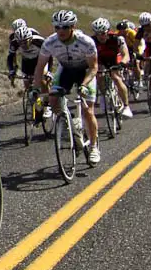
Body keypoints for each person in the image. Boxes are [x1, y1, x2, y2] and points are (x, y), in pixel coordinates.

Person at [33, 10, 101, 164]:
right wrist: (36, 88)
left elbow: (93, 67)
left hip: (85, 72)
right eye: (57, 27)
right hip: (65, 71)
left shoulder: (86, 42)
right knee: (52, 98)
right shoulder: (50, 42)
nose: (60, 31)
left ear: (73, 26)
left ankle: (93, 146)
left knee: (87, 110)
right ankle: (65, 124)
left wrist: (84, 85)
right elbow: (39, 67)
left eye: (64, 27)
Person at [90, 18, 133, 118]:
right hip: (100, 60)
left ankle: (126, 106)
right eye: (98, 33)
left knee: (116, 78)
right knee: (100, 77)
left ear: (108, 31)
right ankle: (104, 95)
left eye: (103, 33)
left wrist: (122, 63)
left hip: (114, 60)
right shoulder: (91, 41)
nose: (101, 36)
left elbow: (125, 54)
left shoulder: (117, 39)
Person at [8, 26, 53, 120]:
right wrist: (11, 71)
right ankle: (35, 103)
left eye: (25, 41)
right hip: (27, 61)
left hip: (40, 60)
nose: (23, 44)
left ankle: (47, 104)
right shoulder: (14, 43)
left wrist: (49, 72)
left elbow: (49, 57)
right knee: (27, 83)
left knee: (42, 80)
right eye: (20, 42)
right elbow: (10, 57)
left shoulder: (40, 42)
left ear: (30, 38)